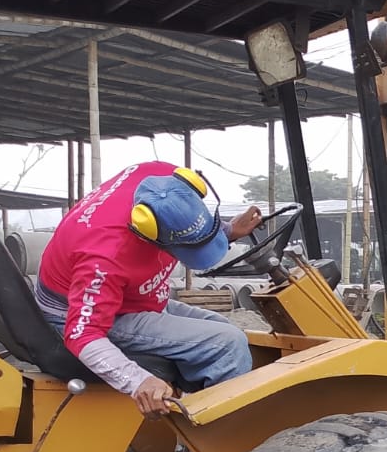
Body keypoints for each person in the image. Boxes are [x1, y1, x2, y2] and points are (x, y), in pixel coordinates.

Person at [34, 161, 262, 416]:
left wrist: (224, 230)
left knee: (226, 330)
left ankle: (192, 402)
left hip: (130, 296)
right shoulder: (105, 258)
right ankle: (211, 435)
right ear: (148, 233)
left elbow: (181, 212)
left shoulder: (161, 177)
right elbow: (82, 334)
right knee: (227, 345)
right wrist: (137, 380)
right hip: (75, 310)